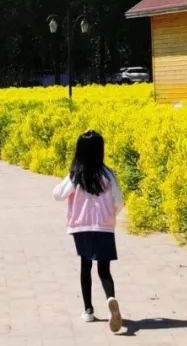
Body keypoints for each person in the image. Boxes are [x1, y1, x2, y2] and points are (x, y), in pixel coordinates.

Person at [52, 130, 125, 333]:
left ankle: (88, 310)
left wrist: (69, 177)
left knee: (86, 267)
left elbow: (57, 194)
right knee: (104, 270)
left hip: (82, 227)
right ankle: (111, 298)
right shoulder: (107, 174)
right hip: (104, 227)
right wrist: (111, 216)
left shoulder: (77, 175)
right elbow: (119, 201)